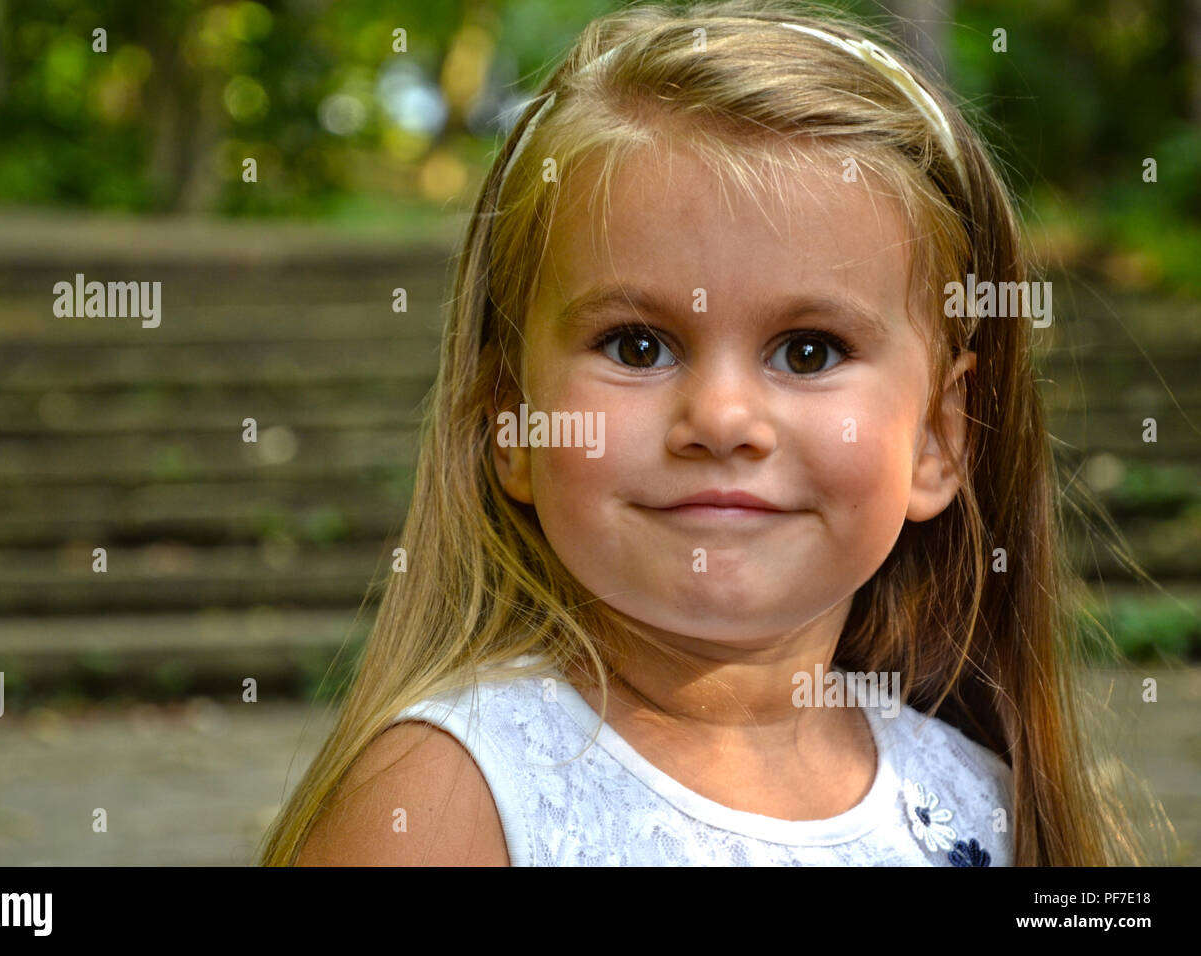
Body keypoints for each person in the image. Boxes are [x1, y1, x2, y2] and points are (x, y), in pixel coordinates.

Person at [260, 0, 1172, 866]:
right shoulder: (446, 802)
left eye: (809, 351)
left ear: (939, 438)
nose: (723, 420)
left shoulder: (985, 805)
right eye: (638, 344)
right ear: (513, 424)